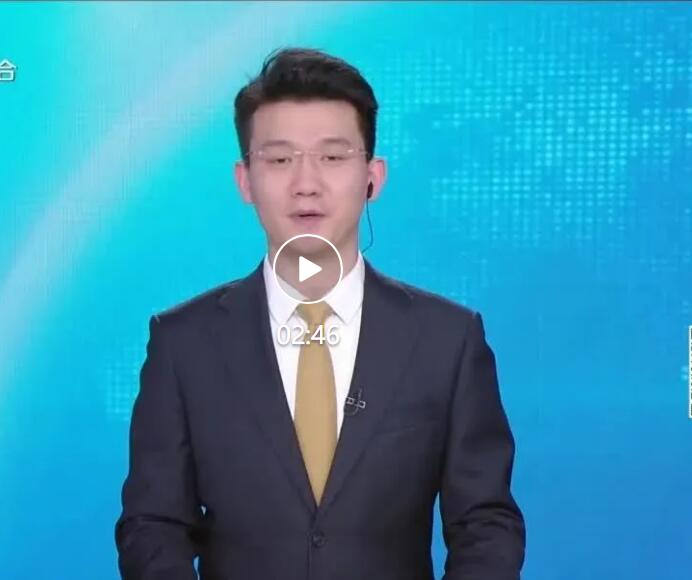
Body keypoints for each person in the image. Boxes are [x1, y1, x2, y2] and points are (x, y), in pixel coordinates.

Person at [115, 47, 525, 580]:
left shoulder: (447, 340)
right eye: (279, 160)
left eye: (332, 157)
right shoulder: (183, 343)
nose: (306, 183)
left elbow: (485, 525)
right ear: (245, 180)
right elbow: (152, 526)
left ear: (373, 177)